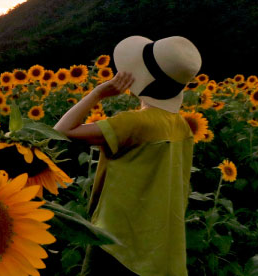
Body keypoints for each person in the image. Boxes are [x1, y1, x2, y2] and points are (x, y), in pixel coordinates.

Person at [53, 36, 201, 276]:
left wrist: (98, 93)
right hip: (160, 240)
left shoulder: (134, 123)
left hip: (117, 238)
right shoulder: (181, 126)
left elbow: (62, 131)